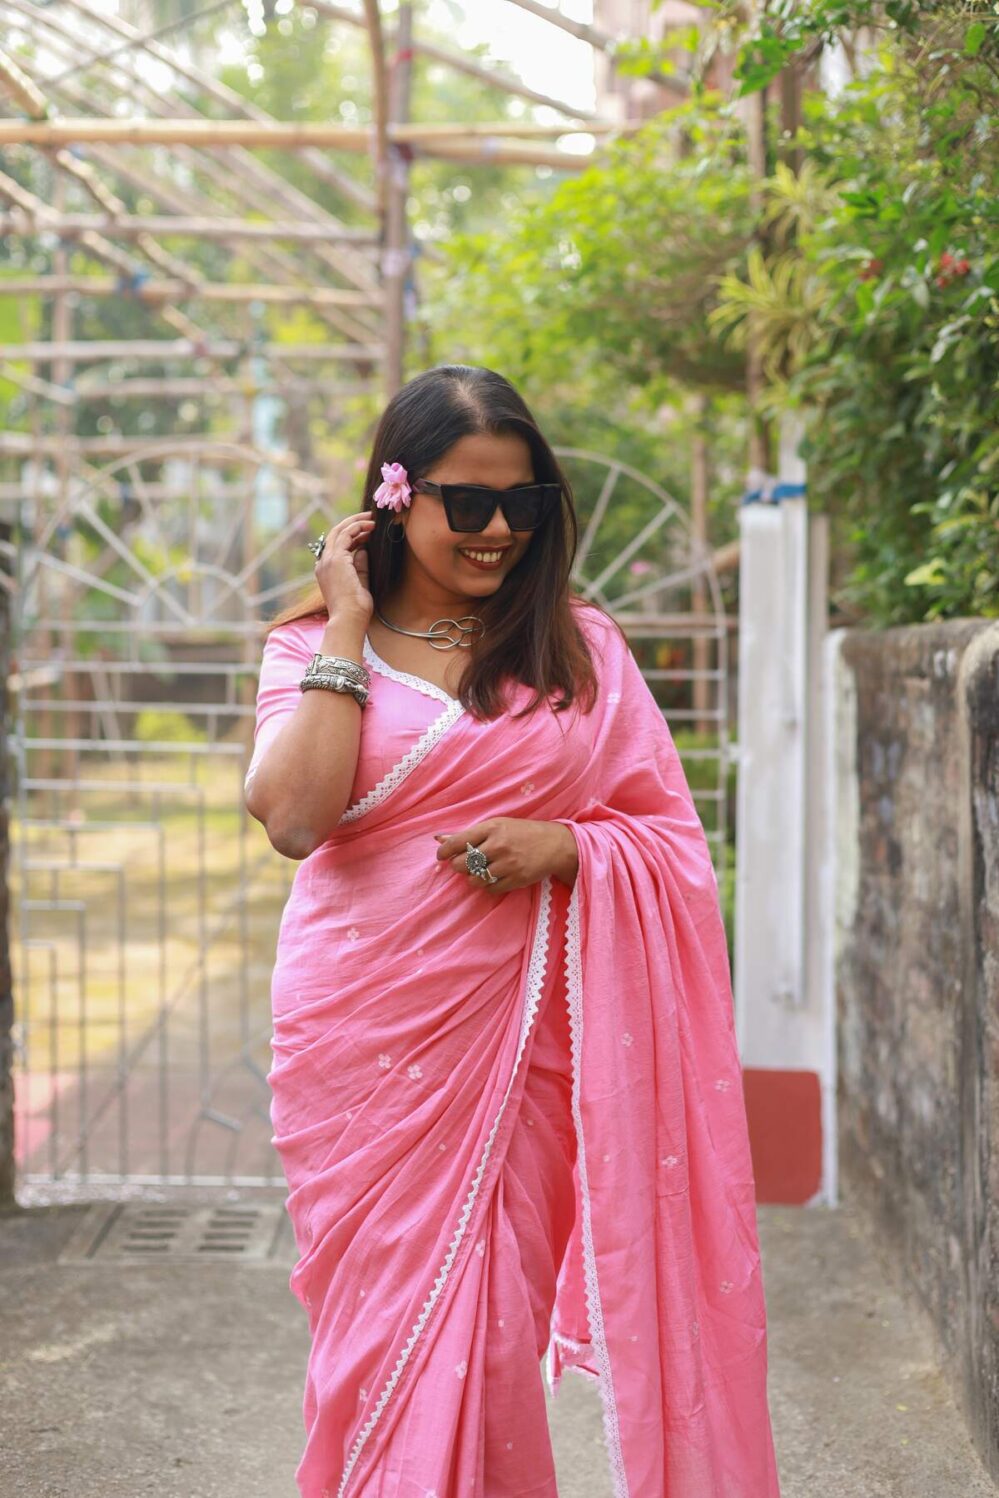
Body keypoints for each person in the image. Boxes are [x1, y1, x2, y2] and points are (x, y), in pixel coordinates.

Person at [244, 364, 782, 1498]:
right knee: (375, 1346)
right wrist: (348, 618)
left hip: (522, 1047)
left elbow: (667, 839)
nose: (498, 531)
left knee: (490, 1347)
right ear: (394, 499)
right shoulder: (306, 648)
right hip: (360, 1042)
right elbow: (295, 817)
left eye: (523, 504)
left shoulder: (578, 647)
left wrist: (574, 847)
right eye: (468, 504)